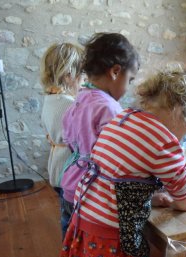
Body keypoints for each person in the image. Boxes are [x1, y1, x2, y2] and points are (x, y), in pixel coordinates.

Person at [56, 63, 186, 257]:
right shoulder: (163, 140)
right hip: (112, 237)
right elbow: (184, 197)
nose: (185, 136)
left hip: (84, 221)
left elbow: (115, 181)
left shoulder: (122, 119)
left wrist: (151, 198)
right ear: (181, 112)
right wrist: (181, 202)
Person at [59, 32, 139, 239]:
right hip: (92, 195)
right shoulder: (109, 108)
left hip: (69, 187)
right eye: (129, 80)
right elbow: (117, 160)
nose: (128, 88)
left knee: (71, 249)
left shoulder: (76, 101)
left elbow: (69, 143)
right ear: (115, 71)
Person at [40, 42, 84, 235]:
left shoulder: (50, 98)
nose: (83, 81)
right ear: (68, 75)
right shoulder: (69, 105)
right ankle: (73, 256)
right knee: (74, 220)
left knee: (66, 216)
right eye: (82, 76)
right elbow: (80, 142)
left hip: (57, 166)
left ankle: (67, 256)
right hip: (69, 170)